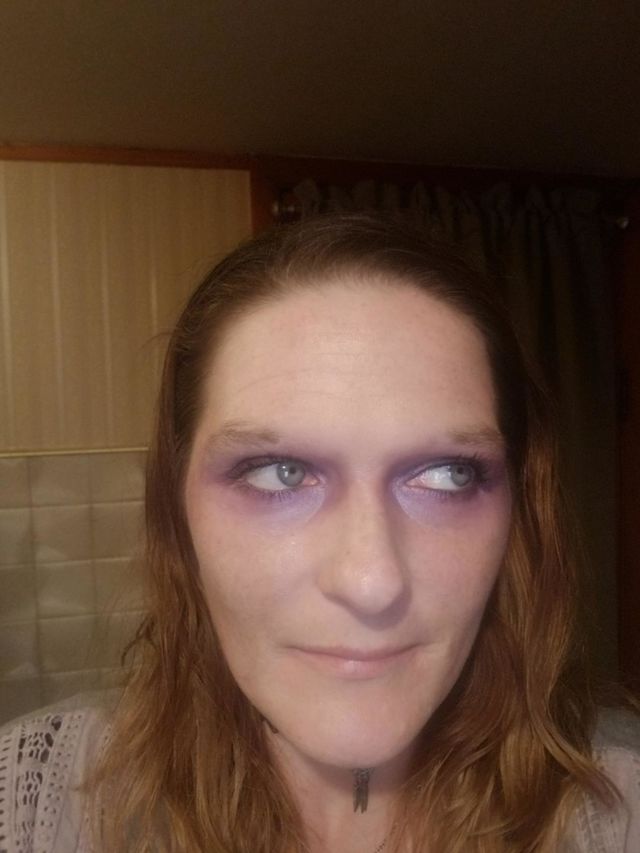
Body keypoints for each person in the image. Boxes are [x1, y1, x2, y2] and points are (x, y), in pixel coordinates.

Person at [1, 213, 639, 853]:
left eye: (447, 475)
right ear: (178, 509)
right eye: (280, 473)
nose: (371, 582)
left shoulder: (618, 812)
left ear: (517, 513)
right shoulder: (31, 806)